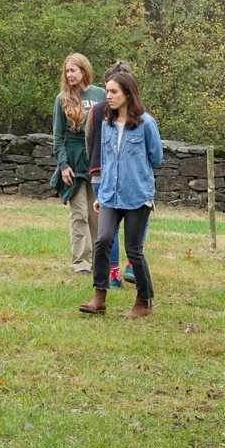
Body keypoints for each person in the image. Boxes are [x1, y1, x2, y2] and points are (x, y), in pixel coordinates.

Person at [79, 71, 163, 318]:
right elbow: (105, 159)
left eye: (114, 91)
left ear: (128, 93)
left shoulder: (146, 123)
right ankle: (99, 297)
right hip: (109, 194)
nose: (109, 96)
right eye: (107, 91)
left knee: (133, 249)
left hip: (137, 194)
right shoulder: (105, 122)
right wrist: (101, 194)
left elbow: (156, 158)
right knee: (103, 240)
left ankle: (144, 301)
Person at [50, 54, 106, 274]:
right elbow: (58, 136)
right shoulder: (62, 98)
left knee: (97, 214)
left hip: (97, 161)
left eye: (73, 70)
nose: (69, 74)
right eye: (67, 71)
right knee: (79, 213)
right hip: (73, 163)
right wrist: (63, 165)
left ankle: (98, 262)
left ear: (84, 70)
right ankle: (80, 262)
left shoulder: (100, 94)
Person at [86, 61, 138, 287]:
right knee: (134, 224)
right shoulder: (138, 114)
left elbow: (89, 140)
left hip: (100, 173)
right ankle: (130, 267)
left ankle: (114, 274)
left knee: (109, 229)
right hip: (121, 175)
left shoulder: (96, 110)